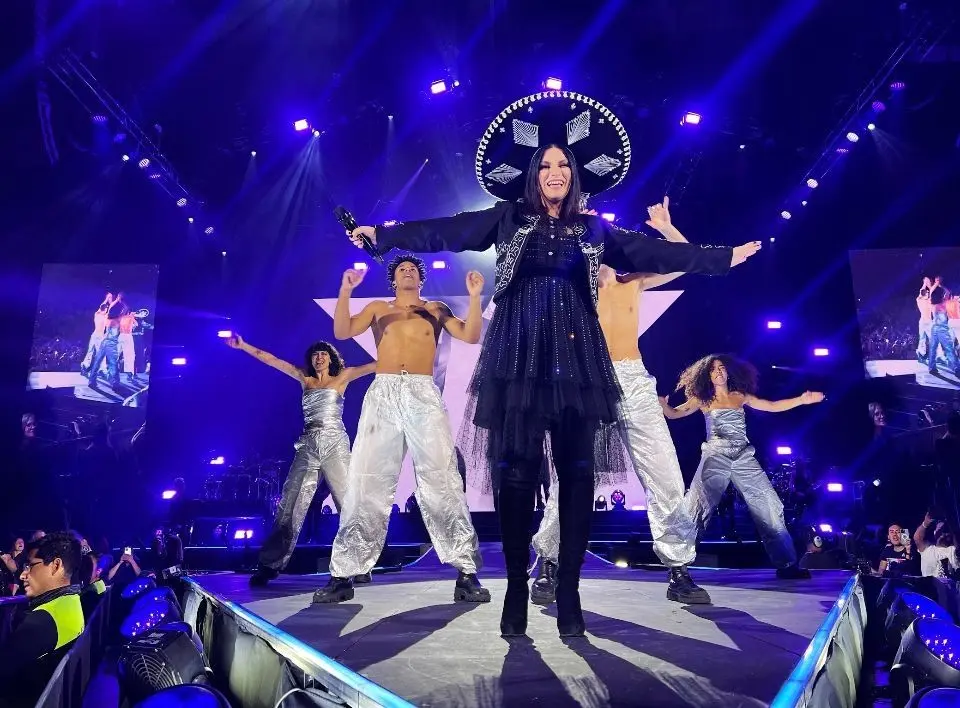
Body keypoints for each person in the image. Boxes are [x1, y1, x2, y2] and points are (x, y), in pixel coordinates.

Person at [344, 90, 760, 637]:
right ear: (533, 174)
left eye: (564, 164)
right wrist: (386, 235)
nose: (555, 171)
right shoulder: (506, 218)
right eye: (546, 164)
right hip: (518, 362)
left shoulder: (595, 230)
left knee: (579, 477)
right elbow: (446, 228)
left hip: (579, 366)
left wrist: (720, 257)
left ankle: (569, 594)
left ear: (575, 174)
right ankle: (517, 588)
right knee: (515, 478)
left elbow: (656, 255)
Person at [529, 196, 711, 606]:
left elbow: (684, 261)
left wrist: (666, 228)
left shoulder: (635, 280)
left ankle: (679, 567)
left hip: (633, 379)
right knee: (573, 476)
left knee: (663, 471)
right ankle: (551, 563)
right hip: (584, 382)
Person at [312, 256, 490, 604]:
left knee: (442, 479)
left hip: (423, 393)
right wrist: (346, 290)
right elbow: (342, 331)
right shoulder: (380, 308)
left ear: (421, 280)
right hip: (384, 393)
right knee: (367, 481)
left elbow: (470, 335)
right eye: (401, 270)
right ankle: (344, 573)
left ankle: (466, 573)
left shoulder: (435, 309)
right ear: (393, 280)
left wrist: (473, 295)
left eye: (413, 270)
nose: (408, 272)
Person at [226, 334, 377, 586]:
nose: (319, 358)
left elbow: (377, 365)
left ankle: (360, 564)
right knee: (290, 503)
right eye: (315, 354)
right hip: (308, 446)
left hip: (335, 445)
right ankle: (270, 564)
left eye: (323, 354)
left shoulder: (343, 377)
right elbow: (271, 359)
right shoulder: (303, 378)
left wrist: (408, 352)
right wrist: (243, 346)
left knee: (348, 503)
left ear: (331, 359)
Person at [661, 354, 823, 579]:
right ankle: (677, 563)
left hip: (743, 457)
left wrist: (801, 400)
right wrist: (663, 405)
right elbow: (675, 413)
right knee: (697, 505)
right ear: (707, 375)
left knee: (768, 503)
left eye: (721, 368)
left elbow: (772, 406)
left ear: (728, 373)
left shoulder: (740, 397)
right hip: (715, 455)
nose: (718, 372)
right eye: (713, 370)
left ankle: (787, 564)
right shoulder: (703, 399)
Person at [0, 533, 84, 706]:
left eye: (30, 566)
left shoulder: (40, 622)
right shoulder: (73, 601)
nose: (23, 575)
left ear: (56, 565)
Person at [88, 291, 129, 390]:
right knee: (113, 364)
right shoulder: (118, 320)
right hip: (111, 344)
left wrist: (115, 300)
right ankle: (115, 384)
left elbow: (110, 308)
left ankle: (91, 381)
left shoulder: (107, 319)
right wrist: (120, 301)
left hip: (103, 342)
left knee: (97, 362)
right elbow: (126, 309)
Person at [913, 512, 959, 579]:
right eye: (940, 530)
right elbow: (917, 538)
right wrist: (925, 524)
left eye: (945, 531)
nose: (944, 534)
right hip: (931, 587)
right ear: (935, 532)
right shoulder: (927, 549)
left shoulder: (953, 549)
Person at [928, 276, 958, 377]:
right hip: (939, 329)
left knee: (936, 348)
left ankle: (932, 368)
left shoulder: (938, 305)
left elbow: (936, 292)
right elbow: (945, 293)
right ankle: (956, 368)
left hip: (938, 329)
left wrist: (938, 284)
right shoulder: (939, 304)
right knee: (945, 349)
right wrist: (938, 284)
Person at [80, 293, 111, 376]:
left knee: (90, 351)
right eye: (106, 308)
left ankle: (84, 366)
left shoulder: (97, 314)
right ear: (105, 309)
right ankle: (102, 369)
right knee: (101, 353)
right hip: (99, 336)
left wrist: (106, 299)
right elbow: (107, 307)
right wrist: (109, 300)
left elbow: (102, 306)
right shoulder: (104, 316)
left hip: (94, 335)